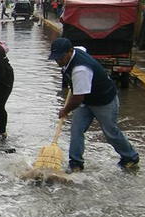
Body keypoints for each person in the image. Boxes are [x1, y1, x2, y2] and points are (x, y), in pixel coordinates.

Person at [49, 38, 139, 173]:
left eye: (61, 57)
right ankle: (75, 163)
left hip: (104, 100)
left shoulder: (80, 70)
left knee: (110, 132)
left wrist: (65, 110)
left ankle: (130, 157)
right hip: (86, 101)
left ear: (69, 52)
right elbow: (83, 49)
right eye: (56, 58)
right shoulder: (77, 51)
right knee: (76, 130)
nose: (58, 61)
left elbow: (78, 98)